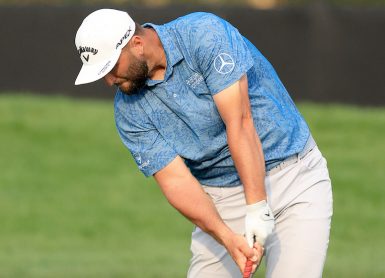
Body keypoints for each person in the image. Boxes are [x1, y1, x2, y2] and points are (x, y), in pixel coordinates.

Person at [74, 8, 333, 278]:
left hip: (294, 178)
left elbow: (240, 122)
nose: (109, 80)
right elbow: (176, 181)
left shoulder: (203, 34)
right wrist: (226, 236)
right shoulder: (128, 111)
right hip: (221, 199)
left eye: (111, 67)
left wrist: (257, 208)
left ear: (137, 44)